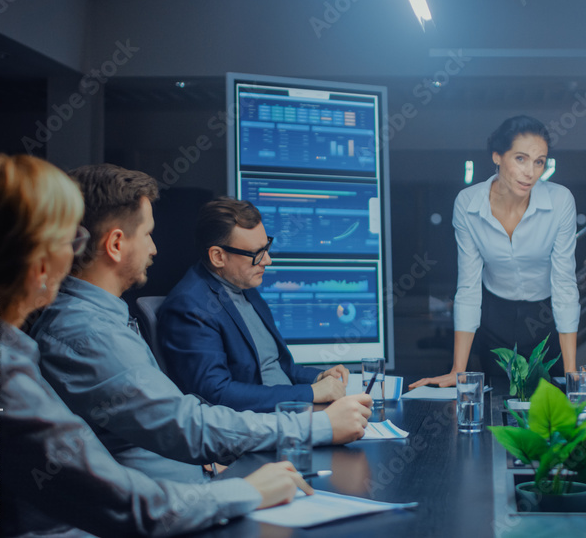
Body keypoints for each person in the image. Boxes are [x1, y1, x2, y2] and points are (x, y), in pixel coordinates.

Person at [0, 154, 311, 537]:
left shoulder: (1, 350)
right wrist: (248, 490)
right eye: (70, 239)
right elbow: (128, 505)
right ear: (40, 261)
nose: (74, 256)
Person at [30, 164, 371, 484]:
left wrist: (212, 457)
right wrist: (316, 426)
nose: (155, 249)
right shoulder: (88, 334)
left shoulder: (106, 318)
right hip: (177, 494)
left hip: (195, 474)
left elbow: (176, 421)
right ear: (117, 244)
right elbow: (188, 423)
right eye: (148, 234)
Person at [410, 115, 581, 388]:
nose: (531, 172)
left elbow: (564, 284)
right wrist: (458, 369)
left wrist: (572, 370)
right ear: (497, 156)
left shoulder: (561, 201)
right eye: (521, 159)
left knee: (551, 399)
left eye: (539, 161)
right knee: (499, 398)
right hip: (495, 315)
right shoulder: (468, 204)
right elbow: (468, 287)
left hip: (545, 316)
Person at [157, 196, 354, 413]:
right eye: (256, 254)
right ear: (218, 256)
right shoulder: (190, 307)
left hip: (290, 412)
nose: (267, 260)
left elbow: (278, 366)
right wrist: (311, 392)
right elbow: (216, 393)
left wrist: (319, 377)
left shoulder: (244, 287)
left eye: (266, 247)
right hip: (258, 427)